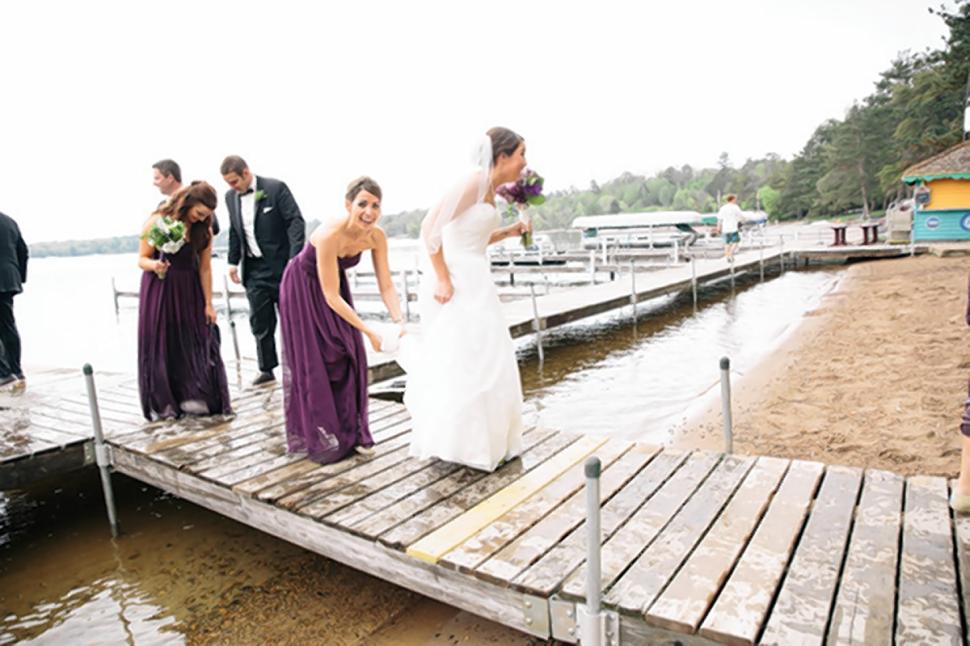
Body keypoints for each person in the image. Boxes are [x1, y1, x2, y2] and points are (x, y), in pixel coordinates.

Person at [403, 127, 532, 472]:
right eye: (521, 153)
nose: (524, 162)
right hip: (457, 280)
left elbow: (472, 239)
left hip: (477, 277)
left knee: (489, 356)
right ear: (502, 156)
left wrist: (509, 232)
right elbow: (430, 228)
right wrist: (443, 278)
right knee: (464, 358)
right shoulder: (473, 181)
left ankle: (491, 441)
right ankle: (463, 443)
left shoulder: (489, 189)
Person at [279, 177, 405, 464]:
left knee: (350, 356)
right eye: (362, 204)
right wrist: (369, 330)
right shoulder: (328, 235)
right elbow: (331, 295)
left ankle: (355, 432)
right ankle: (322, 434)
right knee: (320, 358)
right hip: (303, 288)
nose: (369, 212)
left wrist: (400, 321)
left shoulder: (377, 236)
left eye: (375, 205)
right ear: (348, 205)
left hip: (334, 287)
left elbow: (386, 285)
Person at [137, 182, 231, 420]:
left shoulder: (204, 230)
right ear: (187, 203)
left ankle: (195, 398)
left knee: (195, 340)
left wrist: (208, 303)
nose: (201, 219)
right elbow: (142, 258)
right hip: (160, 286)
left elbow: (206, 269)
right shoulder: (158, 221)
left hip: (189, 287)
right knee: (163, 342)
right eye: (199, 213)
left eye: (207, 216)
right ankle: (165, 403)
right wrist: (156, 265)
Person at [221, 155, 306, 385]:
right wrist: (232, 261)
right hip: (253, 269)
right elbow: (234, 231)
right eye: (228, 183)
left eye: (234, 182)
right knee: (260, 320)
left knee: (292, 318)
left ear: (246, 173)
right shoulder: (230, 198)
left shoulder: (275, 188)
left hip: (282, 266)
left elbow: (295, 222)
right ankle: (266, 369)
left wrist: (294, 259)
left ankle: (299, 365)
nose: (232, 187)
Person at [153, 159, 220, 236]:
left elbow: (214, 227)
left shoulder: (197, 196)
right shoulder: (162, 205)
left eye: (157, 178)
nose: (154, 183)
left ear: (170, 178)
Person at [0, 211, 28, 387]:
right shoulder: (9, 221)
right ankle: (16, 370)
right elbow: (23, 251)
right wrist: (19, 276)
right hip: (9, 279)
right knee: (8, 325)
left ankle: (3, 373)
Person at [716, 194, 742, 261]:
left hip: (725, 228)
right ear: (732, 199)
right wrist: (740, 221)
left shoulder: (723, 208)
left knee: (726, 243)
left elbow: (719, 219)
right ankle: (731, 253)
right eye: (735, 199)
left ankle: (727, 256)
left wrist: (718, 227)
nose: (736, 200)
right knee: (736, 242)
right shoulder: (735, 207)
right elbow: (740, 216)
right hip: (733, 228)